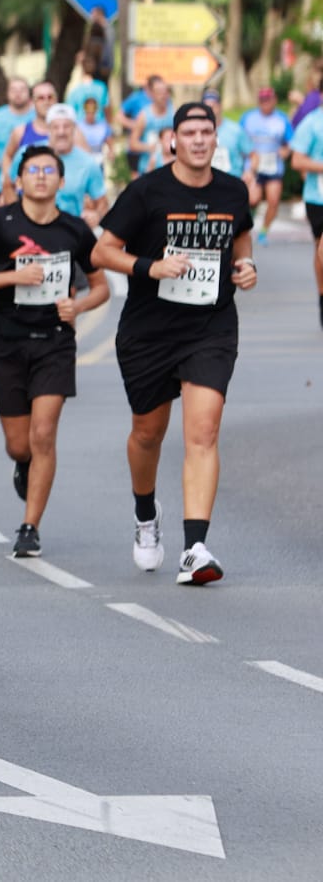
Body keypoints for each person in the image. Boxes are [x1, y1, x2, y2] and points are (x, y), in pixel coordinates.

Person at [91, 102, 257, 585]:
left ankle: (195, 548)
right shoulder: (147, 191)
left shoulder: (233, 190)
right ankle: (146, 513)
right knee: (148, 432)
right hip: (149, 329)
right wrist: (151, 267)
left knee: (203, 432)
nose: (200, 140)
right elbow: (103, 251)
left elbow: (241, 237)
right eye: (190, 132)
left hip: (211, 326)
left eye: (207, 131)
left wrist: (246, 267)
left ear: (215, 139)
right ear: (173, 141)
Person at [0, 145, 110, 557]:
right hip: (4, 341)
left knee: (43, 434)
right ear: (18, 180)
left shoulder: (76, 230)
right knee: (19, 445)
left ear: (62, 182)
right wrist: (13, 277)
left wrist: (76, 306)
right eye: (32, 170)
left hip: (54, 342)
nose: (40, 176)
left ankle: (30, 526)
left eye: (49, 170)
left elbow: (101, 288)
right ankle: (23, 465)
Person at [238, 86, 292, 245]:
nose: (265, 103)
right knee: (252, 199)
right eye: (262, 100)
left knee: (273, 200)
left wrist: (285, 151)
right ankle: (247, 226)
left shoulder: (282, 119)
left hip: (273, 166)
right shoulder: (247, 118)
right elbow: (238, 139)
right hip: (253, 165)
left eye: (268, 100)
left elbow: (290, 143)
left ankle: (263, 232)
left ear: (274, 100)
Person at [43, 104, 109, 227]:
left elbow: (102, 203)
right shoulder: (30, 155)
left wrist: (96, 216)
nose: (61, 132)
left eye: (66, 126)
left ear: (74, 128)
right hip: (33, 233)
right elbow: (9, 185)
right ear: (48, 129)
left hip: (70, 233)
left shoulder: (88, 163)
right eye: (55, 127)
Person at [288, 97, 323, 327]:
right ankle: (322, 296)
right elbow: (297, 160)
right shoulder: (312, 123)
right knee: (320, 249)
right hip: (318, 197)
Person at [0, 78, 34, 207]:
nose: (18, 94)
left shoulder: (37, 117)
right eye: (14, 90)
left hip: (29, 182)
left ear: (29, 93)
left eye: (22, 90)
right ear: (7, 93)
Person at [127, 76, 174, 182]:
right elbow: (132, 143)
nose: (163, 96)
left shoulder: (172, 113)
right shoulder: (144, 116)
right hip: (147, 169)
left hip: (169, 169)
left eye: (165, 92)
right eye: (159, 92)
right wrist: (151, 147)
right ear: (152, 94)